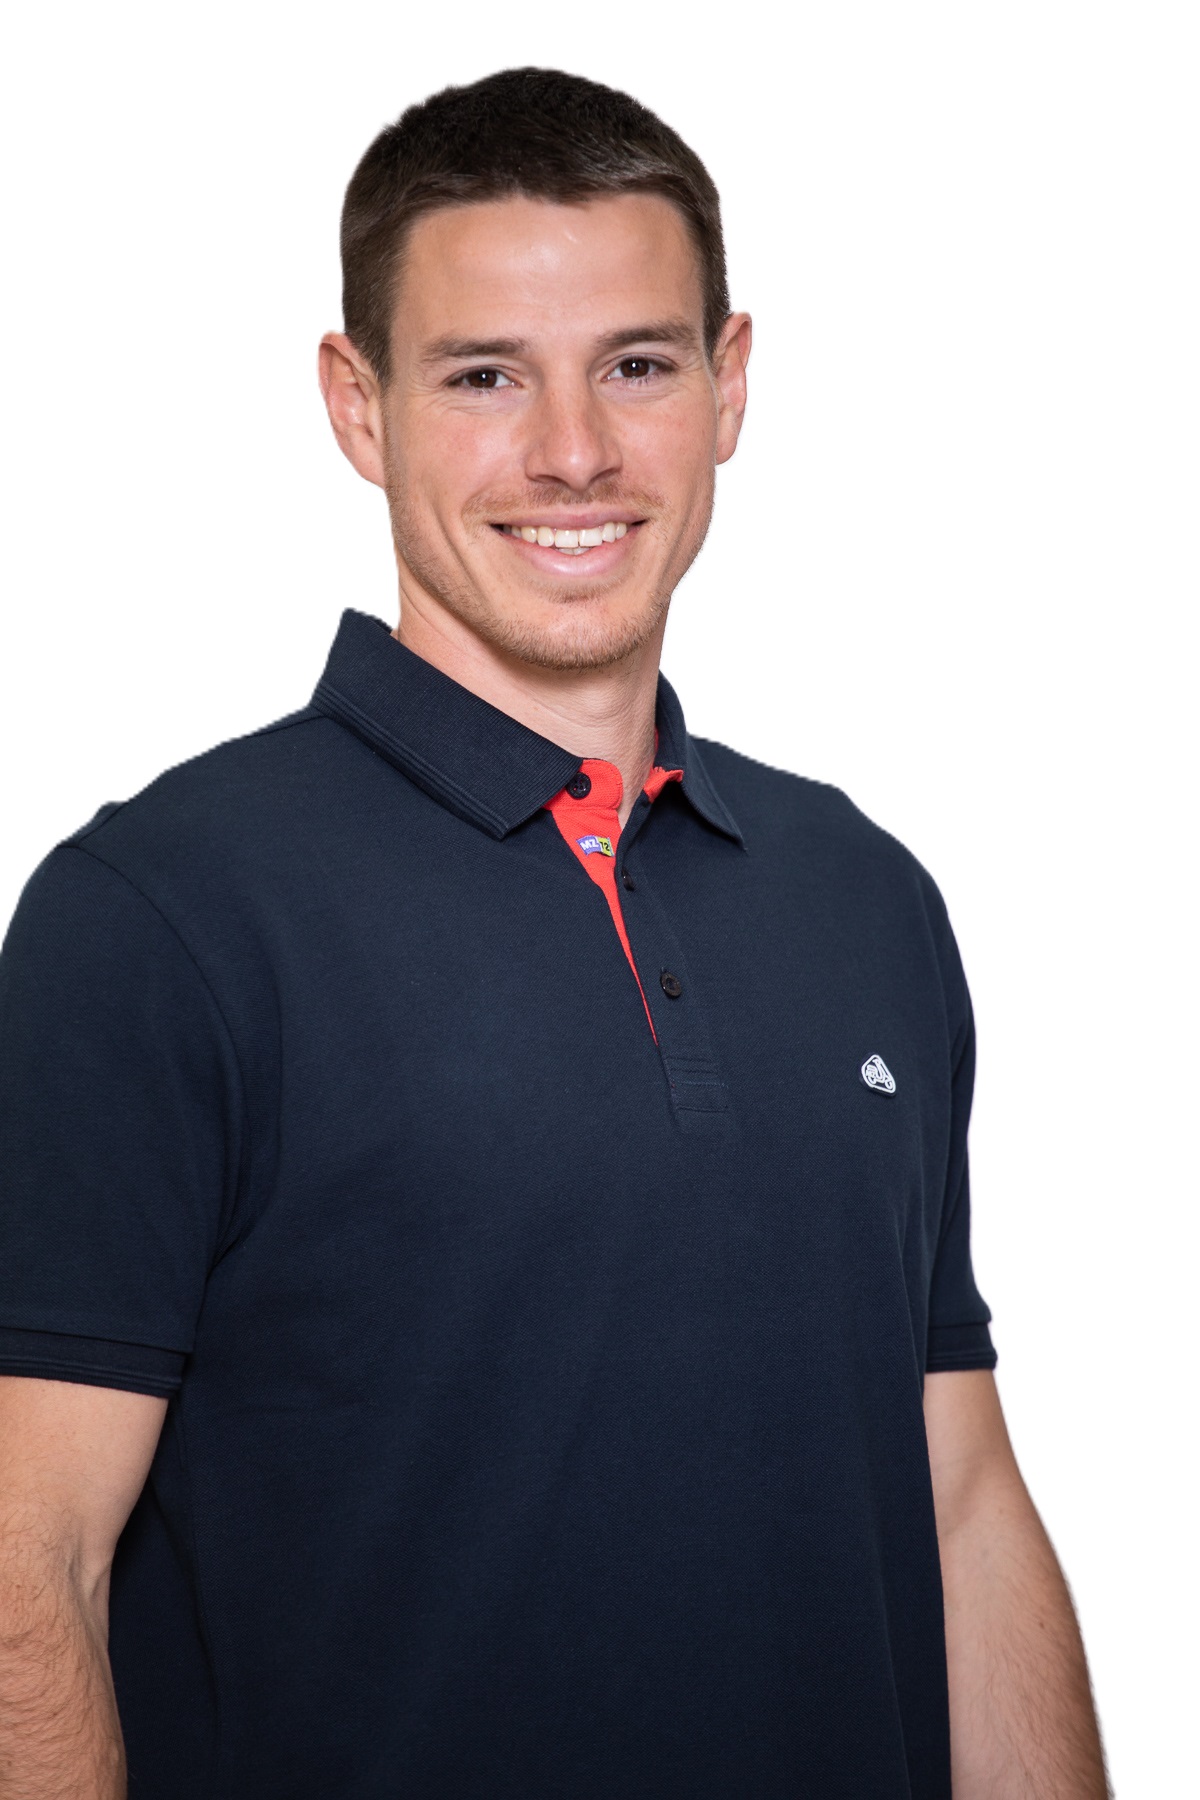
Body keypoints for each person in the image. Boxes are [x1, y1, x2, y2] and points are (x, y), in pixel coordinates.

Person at [0, 67, 1108, 1799]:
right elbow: (27, 1562)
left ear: (731, 384)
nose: (574, 451)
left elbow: (960, 1499)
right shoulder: (159, 917)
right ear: (358, 407)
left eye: (638, 366)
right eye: (484, 376)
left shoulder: (864, 894)